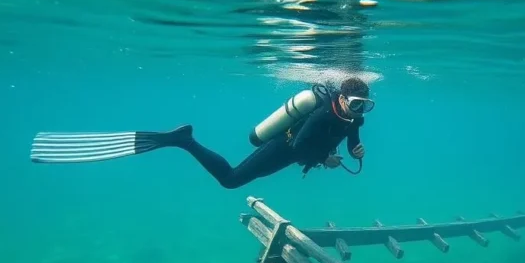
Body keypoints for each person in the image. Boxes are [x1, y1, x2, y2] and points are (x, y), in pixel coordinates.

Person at [30, 77, 374, 189]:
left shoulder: (353, 118)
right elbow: (299, 149)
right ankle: (184, 139)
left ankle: (184, 139)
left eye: (364, 106)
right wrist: (325, 159)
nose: (359, 112)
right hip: (283, 147)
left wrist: (356, 151)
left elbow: (353, 137)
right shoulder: (316, 118)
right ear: (342, 98)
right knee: (230, 180)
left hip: (299, 152)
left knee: (232, 181)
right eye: (356, 104)